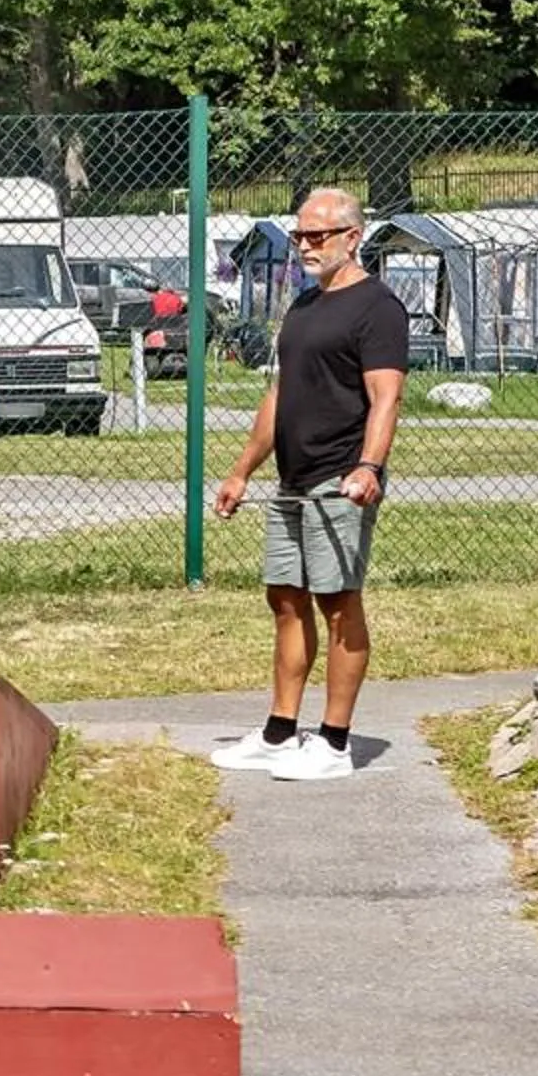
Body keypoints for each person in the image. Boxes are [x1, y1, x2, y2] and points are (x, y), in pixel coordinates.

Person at [209, 186, 407, 782]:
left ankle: (336, 743)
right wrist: (242, 470)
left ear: (353, 236)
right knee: (286, 600)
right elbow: (279, 394)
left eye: (317, 236)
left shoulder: (378, 308)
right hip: (290, 481)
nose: (304, 246)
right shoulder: (302, 306)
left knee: (338, 604)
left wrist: (368, 467)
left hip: (340, 479)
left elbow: (386, 395)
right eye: (299, 236)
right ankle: (279, 733)